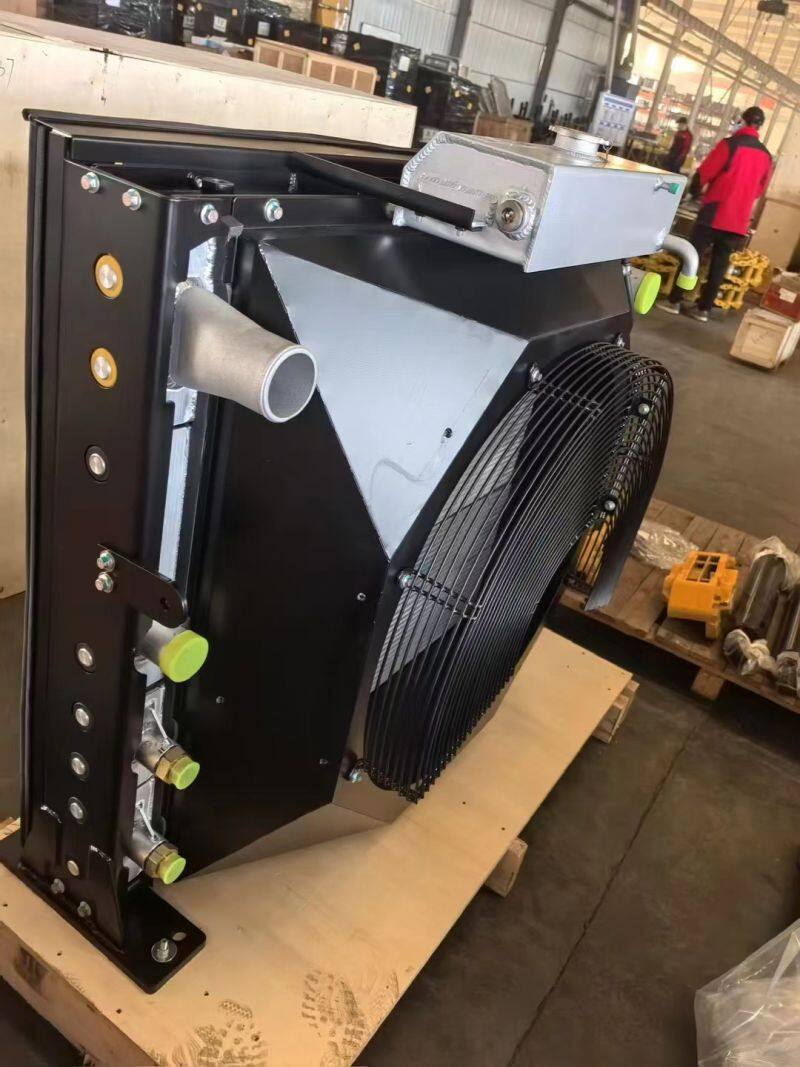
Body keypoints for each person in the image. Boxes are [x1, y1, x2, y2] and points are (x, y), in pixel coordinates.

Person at [658, 106, 772, 323]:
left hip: (715, 213)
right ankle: (704, 309)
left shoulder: (730, 144)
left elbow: (705, 172)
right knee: (720, 264)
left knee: (692, 256)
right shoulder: (766, 156)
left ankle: (675, 300)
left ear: (743, 121)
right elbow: (759, 189)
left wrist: (694, 191)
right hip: (738, 220)